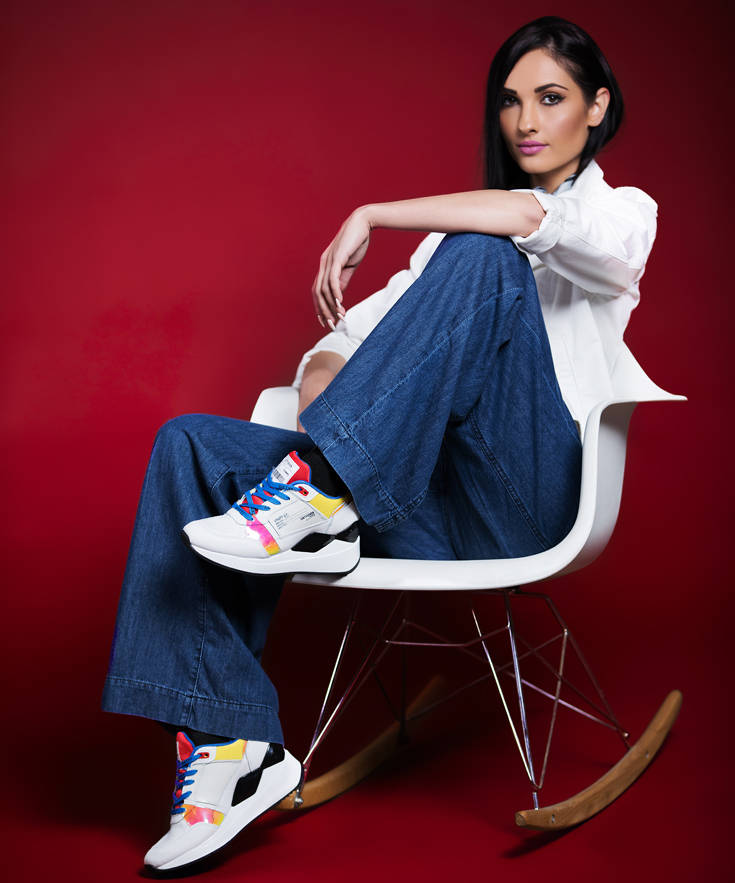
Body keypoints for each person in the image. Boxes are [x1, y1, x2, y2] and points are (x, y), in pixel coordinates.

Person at [102, 15, 658, 871]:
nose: (524, 121)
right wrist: (333, 397)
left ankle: (321, 491)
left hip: (525, 504)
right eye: (510, 101)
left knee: (487, 256)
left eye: (549, 98)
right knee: (190, 445)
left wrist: (371, 212)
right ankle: (230, 748)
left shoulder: (622, 214)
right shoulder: (446, 246)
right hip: (413, 502)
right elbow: (337, 347)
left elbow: (529, 220)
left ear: (597, 106)